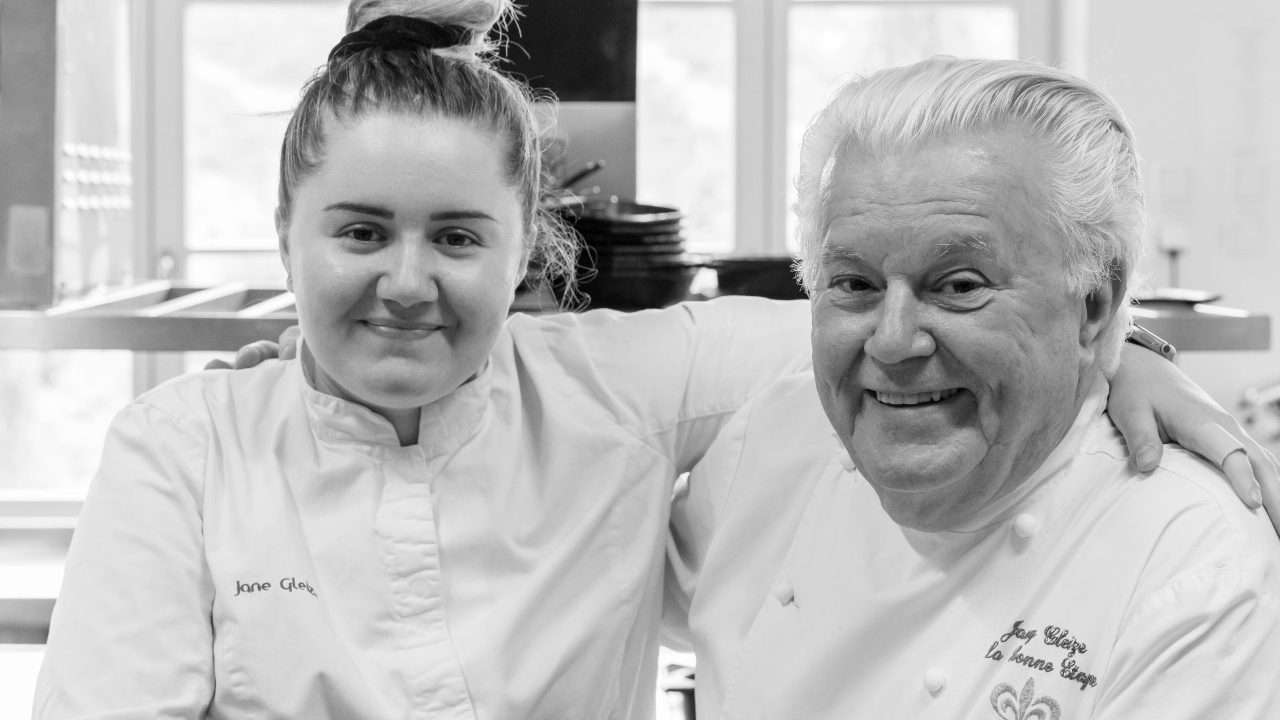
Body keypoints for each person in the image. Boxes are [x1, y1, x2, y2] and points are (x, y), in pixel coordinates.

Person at [33, 1, 1277, 716]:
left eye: (457, 237)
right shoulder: (183, 449)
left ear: (529, 256)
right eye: (358, 232)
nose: (405, 282)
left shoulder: (624, 388)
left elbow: (871, 347)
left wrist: (1116, 349)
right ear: (284, 239)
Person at [669, 56, 1280, 720]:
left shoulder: (1191, 556)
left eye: (959, 285)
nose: (893, 341)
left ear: (1094, 304)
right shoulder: (768, 443)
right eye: (854, 284)